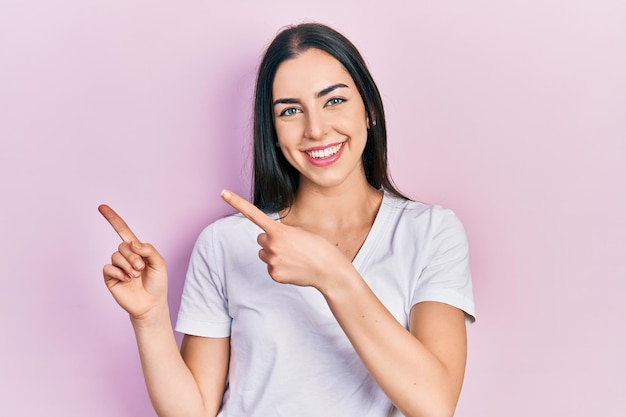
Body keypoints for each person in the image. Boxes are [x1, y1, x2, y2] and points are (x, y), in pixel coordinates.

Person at [99, 22, 475, 417]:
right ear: (274, 132)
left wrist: (331, 273)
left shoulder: (431, 232)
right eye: (291, 111)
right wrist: (149, 318)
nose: (315, 129)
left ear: (371, 112)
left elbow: (434, 404)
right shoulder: (224, 243)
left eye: (334, 101)